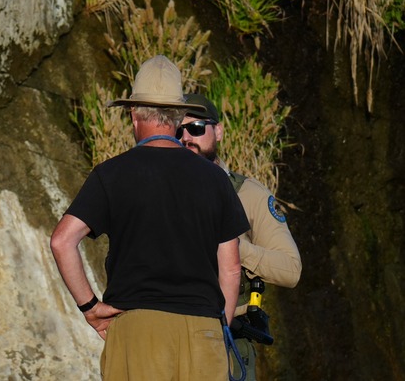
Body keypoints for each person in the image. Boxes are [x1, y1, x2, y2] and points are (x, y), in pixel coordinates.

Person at [50, 55, 251, 380]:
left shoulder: (111, 174)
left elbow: (62, 241)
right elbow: (230, 267)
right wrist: (219, 331)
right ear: (178, 117)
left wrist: (91, 308)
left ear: (133, 115)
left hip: (138, 330)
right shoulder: (215, 179)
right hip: (204, 331)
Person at [178, 93, 302, 380]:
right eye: (177, 130)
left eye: (196, 127)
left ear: (217, 131)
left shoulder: (249, 194)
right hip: (172, 339)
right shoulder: (157, 190)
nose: (186, 137)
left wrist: (232, 246)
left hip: (229, 345)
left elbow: (291, 270)